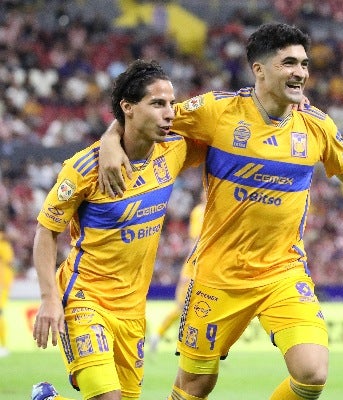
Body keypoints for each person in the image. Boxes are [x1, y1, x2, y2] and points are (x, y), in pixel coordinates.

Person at [98, 22, 343, 400]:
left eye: (304, 64)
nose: (300, 72)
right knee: (196, 384)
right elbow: (147, 115)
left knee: (312, 373)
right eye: (289, 63)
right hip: (218, 276)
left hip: (282, 271)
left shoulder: (316, 125)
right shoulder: (216, 110)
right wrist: (110, 138)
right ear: (259, 69)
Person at [30, 59, 205, 400]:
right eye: (157, 104)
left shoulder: (174, 150)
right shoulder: (84, 168)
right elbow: (46, 231)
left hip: (133, 311)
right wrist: (49, 297)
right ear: (128, 107)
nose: (170, 112)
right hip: (86, 299)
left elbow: (231, 125)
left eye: (171, 103)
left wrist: (290, 108)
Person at [148, 193, 206, 353]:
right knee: (181, 307)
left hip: (206, 268)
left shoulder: (213, 209)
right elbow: (197, 238)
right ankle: (157, 335)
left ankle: (200, 346)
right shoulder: (199, 212)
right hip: (193, 267)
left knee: (201, 309)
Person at [0, 222, 15, 357]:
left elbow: (8, 263)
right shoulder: (5, 245)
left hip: (2, 284)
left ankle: (2, 345)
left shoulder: (3, 246)